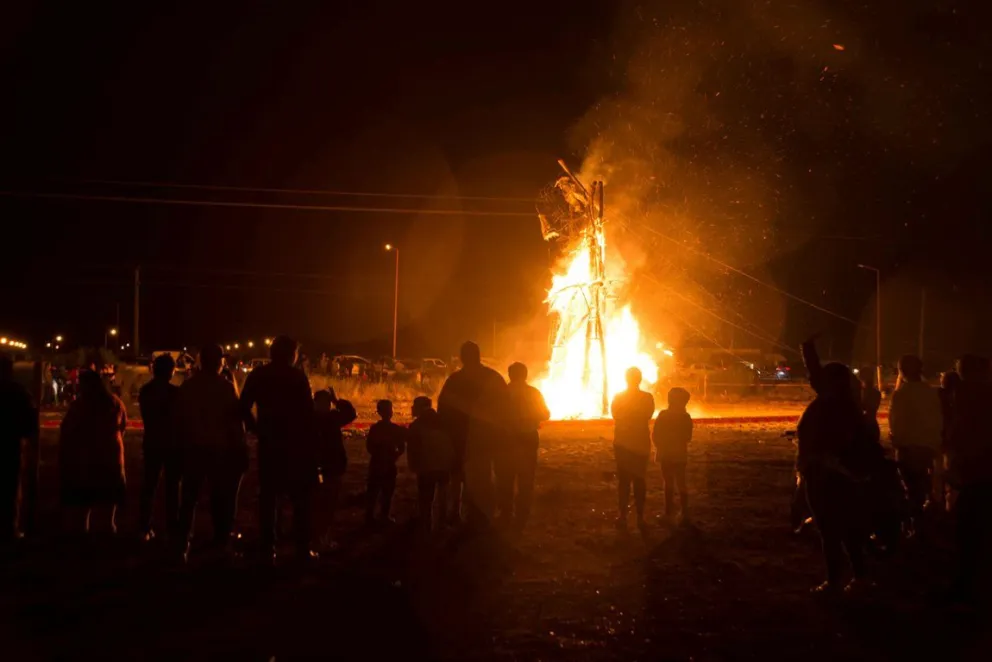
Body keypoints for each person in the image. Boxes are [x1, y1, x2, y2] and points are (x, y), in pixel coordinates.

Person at [241, 335, 318, 563]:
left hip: (269, 442)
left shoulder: (259, 375)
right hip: (295, 443)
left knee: (268, 496)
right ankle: (302, 549)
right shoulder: (297, 377)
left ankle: (268, 547)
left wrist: (256, 428)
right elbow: (308, 412)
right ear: (292, 354)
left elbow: (243, 406)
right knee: (300, 497)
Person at [796, 361, 870, 593]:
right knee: (847, 528)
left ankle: (836, 581)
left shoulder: (830, 407)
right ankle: (859, 576)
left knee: (831, 530)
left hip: (827, 475)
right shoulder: (846, 404)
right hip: (837, 474)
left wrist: (822, 461)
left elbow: (827, 442)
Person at [174, 344, 247, 562]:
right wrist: (240, 447)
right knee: (220, 498)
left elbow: (179, 420)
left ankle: (182, 544)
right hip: (218, 450)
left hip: (193, 449)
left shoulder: (188, 387)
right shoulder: (225, 388)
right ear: (218, 362)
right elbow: (235, 422)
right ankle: (221, 542)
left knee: (189, 499)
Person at [437, 341, 507, 528]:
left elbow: (443, 407)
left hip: (461, 438)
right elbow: (506, 406)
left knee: (458, 477)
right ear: (478, 355)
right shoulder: (492, 377)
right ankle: (481, 514)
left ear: (462, 357)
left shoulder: (455, 380)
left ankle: (457, 513)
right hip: (484, 439)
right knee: (482, 477)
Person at [945, 354, 992, 602]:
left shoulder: (968, 394)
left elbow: (962, 432)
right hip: (979, 471)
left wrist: (956, 463)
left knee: (969, 531)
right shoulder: (977, 392)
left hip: (975, 472)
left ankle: (967, 587)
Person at [59, 370, 128, 534]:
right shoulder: (115, 403)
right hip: (111, 454)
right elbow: (122, 426)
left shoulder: (81, 405)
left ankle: (84, 529)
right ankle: (109, 527)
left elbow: (68, 429)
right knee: (109, 494)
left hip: (88, 456)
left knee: (86, 495)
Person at [888, 354, 943, 523]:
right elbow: (937, 420)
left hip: (908, 450)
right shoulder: (930, 392)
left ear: (902, 371)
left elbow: (896, 424)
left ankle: (916, 525)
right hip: (928, 448)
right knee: (923, 486)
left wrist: (896, 442)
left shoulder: (901, 394)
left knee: (912, 491)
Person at [494, 362, 549, 528]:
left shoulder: (501, 393)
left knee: (505, 477)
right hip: (527, 438)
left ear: (510, 375)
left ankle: (505, 513)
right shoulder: (533, 393)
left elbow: (493, 415)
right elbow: (545, 414)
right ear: (525, 375)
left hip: (505, 439)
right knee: (526, 478)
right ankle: (521, 515)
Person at [137, 353, 182, 542]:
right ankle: (172, 527)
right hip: (171, 443)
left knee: (149, 485)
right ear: (170, 371)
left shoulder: (145, 391)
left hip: (152, 441)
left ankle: (144, 527)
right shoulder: (174, 393)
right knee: (172, 487)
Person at [611, 366, 655, 531]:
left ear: (626, 379)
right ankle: (640, 517)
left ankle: (623, 515)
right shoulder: (646, 398)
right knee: (639, 480)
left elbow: (616, 415)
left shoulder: (619, 397)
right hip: (640, 443)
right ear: (640, 379)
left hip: (623, 443)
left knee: (624, 481)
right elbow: (647, 415)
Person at [313, 388, 356, 544]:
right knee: (321, 503)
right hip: (322, 465)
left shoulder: (326, 418)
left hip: (329, 465)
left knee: (326, 503)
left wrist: (337, 401)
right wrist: (337, 401)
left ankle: (320, 535)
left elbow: (350, 414)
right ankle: (318, 536)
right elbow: (350, 414)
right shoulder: (325, 419)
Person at [1, 354, 36, 542]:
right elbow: (30, 420)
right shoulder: (18, 392)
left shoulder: (18, 392)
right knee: (10, 488)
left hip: (11, 443)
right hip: (10, 445)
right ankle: (9, 528)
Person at [407, 396, 453, 532]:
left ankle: (426, 523)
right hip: (443, 465)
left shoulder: (417, 425)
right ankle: (441, 523)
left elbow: (413, 449)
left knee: (426, 497)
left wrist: (414, 465)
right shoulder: (444, 421)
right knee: (442, 496)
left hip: (426, 466)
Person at [652, 387, 693, 522]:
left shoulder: (663, 415)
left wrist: (660, 445)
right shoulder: (686, 417)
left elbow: (655, 434)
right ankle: (685, 512)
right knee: (681, 482)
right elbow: (688, 437)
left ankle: (668, 512)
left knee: (668, 482)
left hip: (666, 454)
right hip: (680, 454)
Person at [365, 399, 406, 524]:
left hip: (378, 463)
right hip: (386, 463)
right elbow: (401, 447)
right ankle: (382, 516)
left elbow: (369, 447)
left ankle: (371, 516)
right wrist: (394, 455)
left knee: (376, 491)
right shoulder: (394, 429)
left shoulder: (375, 428)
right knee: (385, 491)